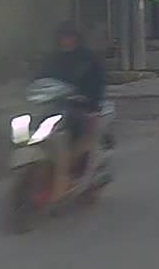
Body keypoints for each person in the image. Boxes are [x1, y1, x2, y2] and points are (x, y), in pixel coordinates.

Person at [35, 21, 106, 186]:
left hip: (82, 107)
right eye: (63, 37)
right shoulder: (53, 58)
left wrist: (92, 104)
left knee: (78, 131)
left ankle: (77, 170)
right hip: (56, 105)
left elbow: (98, 83)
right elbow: (39, 78)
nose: (66, 40)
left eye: (69, 36)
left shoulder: (87, 59)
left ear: (76, 38)